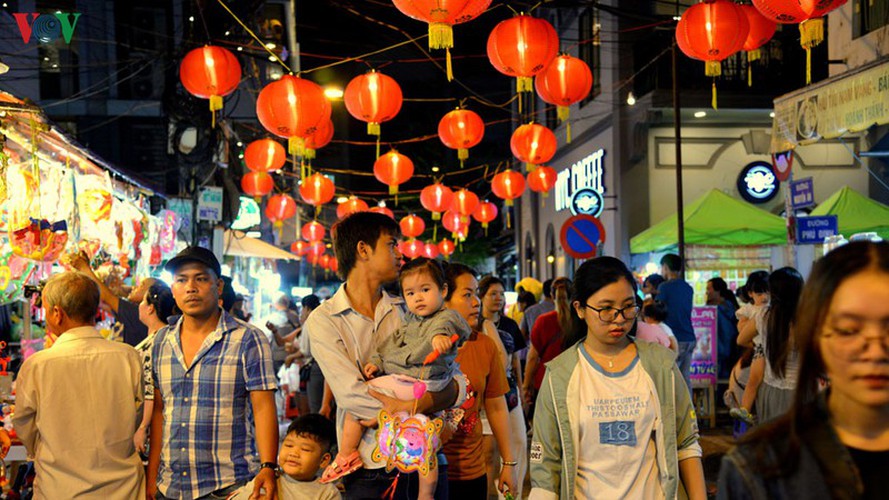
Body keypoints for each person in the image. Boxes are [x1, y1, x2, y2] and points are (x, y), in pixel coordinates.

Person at [306, 212, 465, 499]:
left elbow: (458, 384)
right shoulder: (325, 319)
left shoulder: (408, 307)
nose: (400, 254)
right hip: (371, 466)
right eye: (392, 244)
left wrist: (422, 402)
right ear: (363, 249)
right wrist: (424, 405)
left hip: (425, 459)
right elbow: (351, 395)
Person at [717, 241, 889, 499]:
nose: (875, 352)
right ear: (817, 336)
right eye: (848, 329)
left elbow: (743, 339)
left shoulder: (765, 317)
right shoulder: (755, 468)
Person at [529, 257, 705, 499]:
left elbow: (686, 443)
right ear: (580, 309)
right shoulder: (559, 376)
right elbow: (546, 469)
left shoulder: (661, 365)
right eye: (606, 309)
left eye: (628, 306)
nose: (620, 318)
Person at [147, 246, 279, 500]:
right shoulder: (161, 341)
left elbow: (263, 407)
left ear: (218, 287)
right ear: (173, 289)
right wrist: (152, 477)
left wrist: (268, 466)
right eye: (181, 280)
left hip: (228, 486)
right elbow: (159, 411)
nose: (191, 287)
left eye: (201, 278)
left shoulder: (248, 339)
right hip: (170, 486)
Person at [14, 271, 145, 498]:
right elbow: (136, 415)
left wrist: (51, 448)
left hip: (59, 488)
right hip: (123, 489)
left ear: (57, 313)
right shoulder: (128, 357)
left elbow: (25, 426)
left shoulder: (37, 365)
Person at [442, 263, 518, 499]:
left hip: (471, 472)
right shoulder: (420, 349)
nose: (476, 302)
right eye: (467, 295)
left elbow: (496, 406)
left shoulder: (484, 346)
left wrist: (509, 463)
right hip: (427, 470)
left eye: (476, 293)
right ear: (443, 299)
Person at [478, 276, 528, 499]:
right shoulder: (476, 325)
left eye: (501, 294)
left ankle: (512, 494)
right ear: (482, 297)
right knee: (489, 452)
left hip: (509, 391)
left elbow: (516, 359)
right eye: (492, 294)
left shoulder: (510, 325)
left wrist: (521, 386)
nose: (498, 298)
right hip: (487, 393)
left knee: (518, 441)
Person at [230, 414, 341, 500]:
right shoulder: (270, 479)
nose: (293, 453)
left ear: (323, 460)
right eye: (289, 445)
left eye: (305, 449)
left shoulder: (327, 493)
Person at [66, 250, 155, 346]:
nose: (135, 287)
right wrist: (85, 271)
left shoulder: (136, 314)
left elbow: (105, 297)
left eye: (141, 286)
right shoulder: (135, 313)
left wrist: (84, 268)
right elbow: (102, 302)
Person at [133, 281, 176, 456]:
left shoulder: (156, 343)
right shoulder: (168, 336)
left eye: (143, 301)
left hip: (153, 426)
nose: (140, 306)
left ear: (150, 308)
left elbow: (150, 388)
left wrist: (143, 427)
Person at [523, 277, 572, 407]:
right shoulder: (581, 321)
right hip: (574, 381)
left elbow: (533, 357)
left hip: (546, 382)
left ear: (551, 295)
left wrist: (526, 385)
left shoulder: (543, 321)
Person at [731, 271, 770, 424]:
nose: (764, 297)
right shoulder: (748, 309)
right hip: (760, 349)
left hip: (766, 348)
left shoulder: (772, 307)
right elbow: (741, 330)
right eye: (760, 293)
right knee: (753, 381)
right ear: (750, 293)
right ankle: (745, 409)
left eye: (768, 292)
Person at [657, 253, 696, 393]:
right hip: (690, 338)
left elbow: (658, 310)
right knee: (685, 379)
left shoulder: (664, 287)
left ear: (666, 267)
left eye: (662, 268)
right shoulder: (688, 288)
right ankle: (689, 412)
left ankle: (674, 414)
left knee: (671, 380)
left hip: (675, 338)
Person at [707, 277, 740, 379]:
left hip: (720, 354)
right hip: (731, 353)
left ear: (718, 290)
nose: (706, 292)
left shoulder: (717, 311)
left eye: (709, 289)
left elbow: (725, 334)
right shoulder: (730, 307)